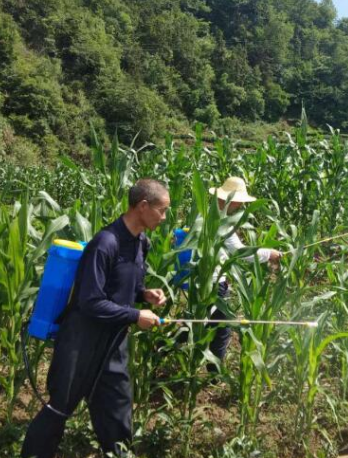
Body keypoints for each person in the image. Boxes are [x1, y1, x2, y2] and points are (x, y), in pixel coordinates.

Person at [21, 179, 170, 458]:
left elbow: (121, 288)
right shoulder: (105, 243)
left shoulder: (141, 243)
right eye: (162, 211)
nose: (164, 218)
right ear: (143, 206)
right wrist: (135, 315)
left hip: (113, 341)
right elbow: (90, 301)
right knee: (59, 409)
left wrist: (144, 295)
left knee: (117, 411)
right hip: (82, 341)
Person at [205, 177, 281, 369]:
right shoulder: (223, 222)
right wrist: (270, 253)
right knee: (221, 327)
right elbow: (240, 252)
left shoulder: (204, 215)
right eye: (238, 201)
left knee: (198, 320)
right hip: (214, 282)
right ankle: (214, 371)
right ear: (229, 199)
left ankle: (161, 348)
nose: (240, 205)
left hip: (199, 278)